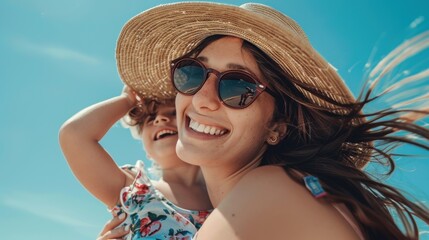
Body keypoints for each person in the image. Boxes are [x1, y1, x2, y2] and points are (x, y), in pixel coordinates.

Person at [113, 2, 429, 239]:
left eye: (238, 87)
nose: (202, 99)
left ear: (278, 126)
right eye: (193, 72)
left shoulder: (267, 190)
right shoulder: (294, 188)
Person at [59, 87, 212, 240]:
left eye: (173, 113)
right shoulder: (134, 189)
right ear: (146, 150)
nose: (160, 119)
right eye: (150, 119)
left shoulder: (227, 194)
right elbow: (73, 135)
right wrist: (128, 100)